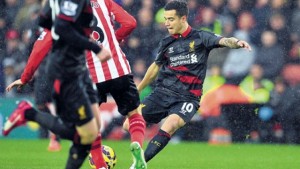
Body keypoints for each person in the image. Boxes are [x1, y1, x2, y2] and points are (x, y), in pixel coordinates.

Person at [124, 0, 252, 165]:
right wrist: (138, 89)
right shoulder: (166, 42)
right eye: (165, 19)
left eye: (171, 19)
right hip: (163, 93)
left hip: (187, 98)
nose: (167, 23)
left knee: (171, 123)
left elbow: (223, 40)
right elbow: (154, 68)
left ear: (183, 18)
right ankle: (139, 153)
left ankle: (139, 163)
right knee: (128, 124)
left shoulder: (200, 37)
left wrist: (236, 43)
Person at [3, 0, 111, 168]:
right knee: (79, 134)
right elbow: (60, 28)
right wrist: (95, 48)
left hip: (79, 67)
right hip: (66, 71)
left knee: (93, 128)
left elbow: (45, 23)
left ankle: (100, 166)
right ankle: (28, 112)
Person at [87, 1, 147, 169]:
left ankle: (100, 166)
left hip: (90, 75)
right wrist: (116, 38)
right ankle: (137, 151)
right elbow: (131, 23)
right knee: (134, 114)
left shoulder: (65, 8)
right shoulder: (104, 2)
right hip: (118, 69)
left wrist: (27, 76)